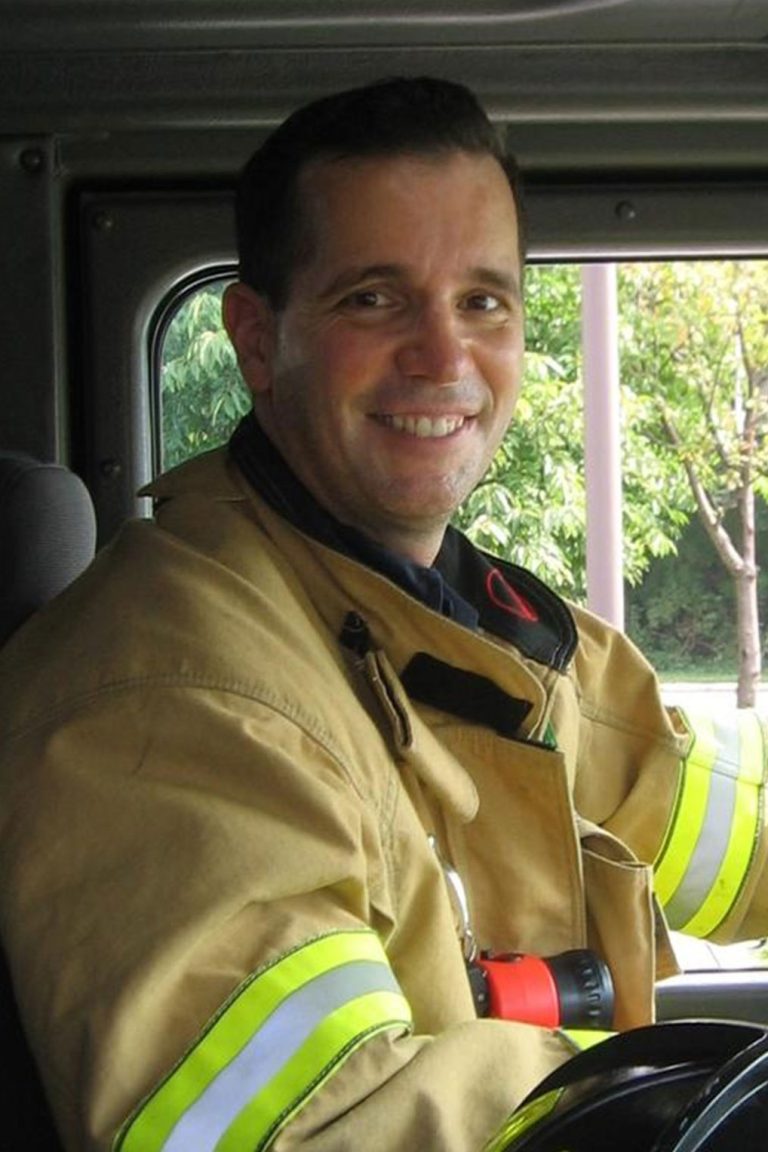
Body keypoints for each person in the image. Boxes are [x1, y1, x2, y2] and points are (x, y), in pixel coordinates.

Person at [0, 76, 766, 1152]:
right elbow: (315, 1129)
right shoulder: (165, 693)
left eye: (483, 301)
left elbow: (690, 801)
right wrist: (688, 1113)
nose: (445, 358)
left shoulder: (447, 623)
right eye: (375, 298)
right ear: (258, 343)